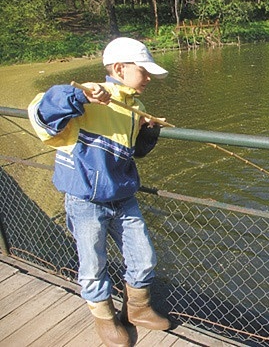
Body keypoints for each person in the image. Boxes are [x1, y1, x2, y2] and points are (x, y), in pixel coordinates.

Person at [28, 37, 171, 347]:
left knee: (144, 257)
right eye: (143, 71)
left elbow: (135, 152)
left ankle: (138, 309)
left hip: (122, 195)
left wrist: (149, 130)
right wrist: (80, 97)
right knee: (93, 264)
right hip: (85, 199)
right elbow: (42, 110)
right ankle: (104, 319)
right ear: (119, 68)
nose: (148, 78)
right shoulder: (88, 94)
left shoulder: (136, 105)